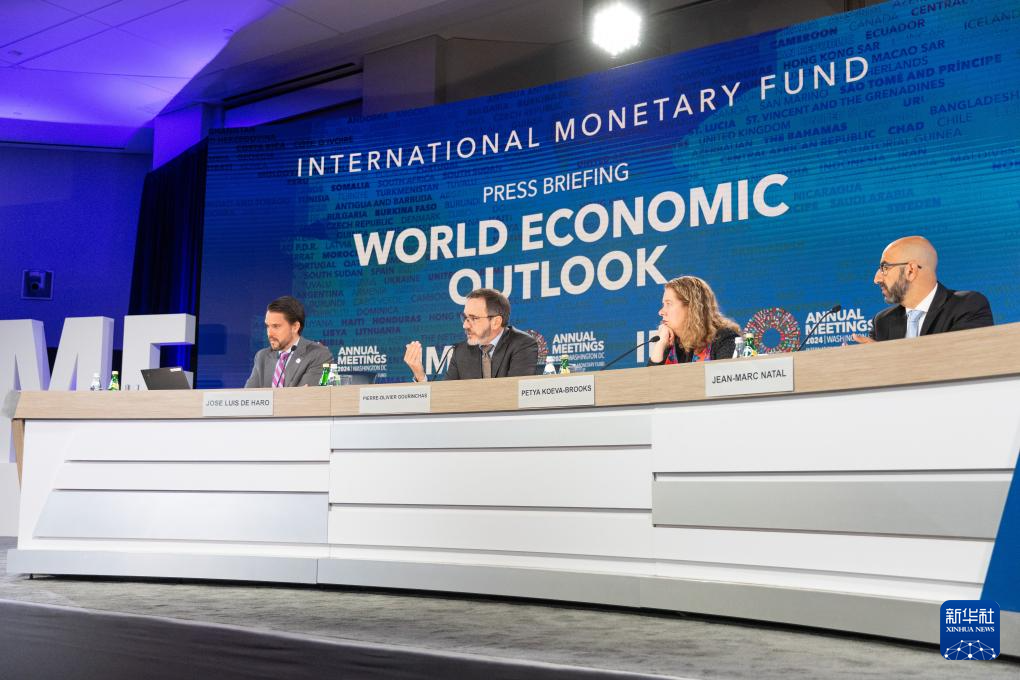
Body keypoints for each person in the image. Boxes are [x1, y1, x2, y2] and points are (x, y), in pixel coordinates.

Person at [852, 236, 993, 343]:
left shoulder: (967, 306)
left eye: (885, 268)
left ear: (911, 271)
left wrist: (885, 359)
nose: (876, 279)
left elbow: (961, 360)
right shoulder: (882, 321)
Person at [403, 288, 538, 381]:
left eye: (473, 318)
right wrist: (420, 375)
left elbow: (515, 394)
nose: (465, 325)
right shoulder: (461, 351)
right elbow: (445, 398)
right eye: (465, 318)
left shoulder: (522, 344)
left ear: (496, 322)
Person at [648, 276, 741, 365]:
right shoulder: (669, 342)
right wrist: (660, 345)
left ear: (691, 307)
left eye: (669, 304)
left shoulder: (723, 339)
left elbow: (726, 375)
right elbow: (651, 376)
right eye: (663, 304)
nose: (661, 312)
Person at [245, 296, 333, 387]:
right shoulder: (262, 356)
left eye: (276, 326)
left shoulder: (319, 355)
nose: (269, 333)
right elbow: (248, 395)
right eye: (267, 326)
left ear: (295, 327)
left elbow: (306, 394)